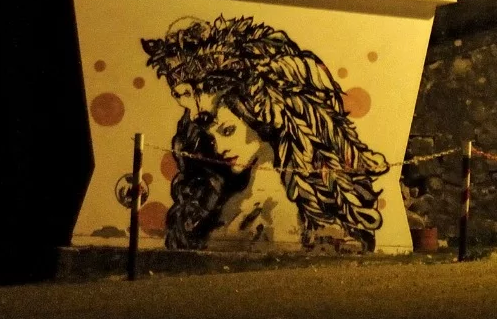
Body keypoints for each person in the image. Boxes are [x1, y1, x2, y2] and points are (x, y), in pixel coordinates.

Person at [141, 15, 388, 253]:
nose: (217, 148)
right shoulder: (227, 193)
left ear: (263, 125)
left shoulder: (275, 208)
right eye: (180, 94)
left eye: (228, 131)